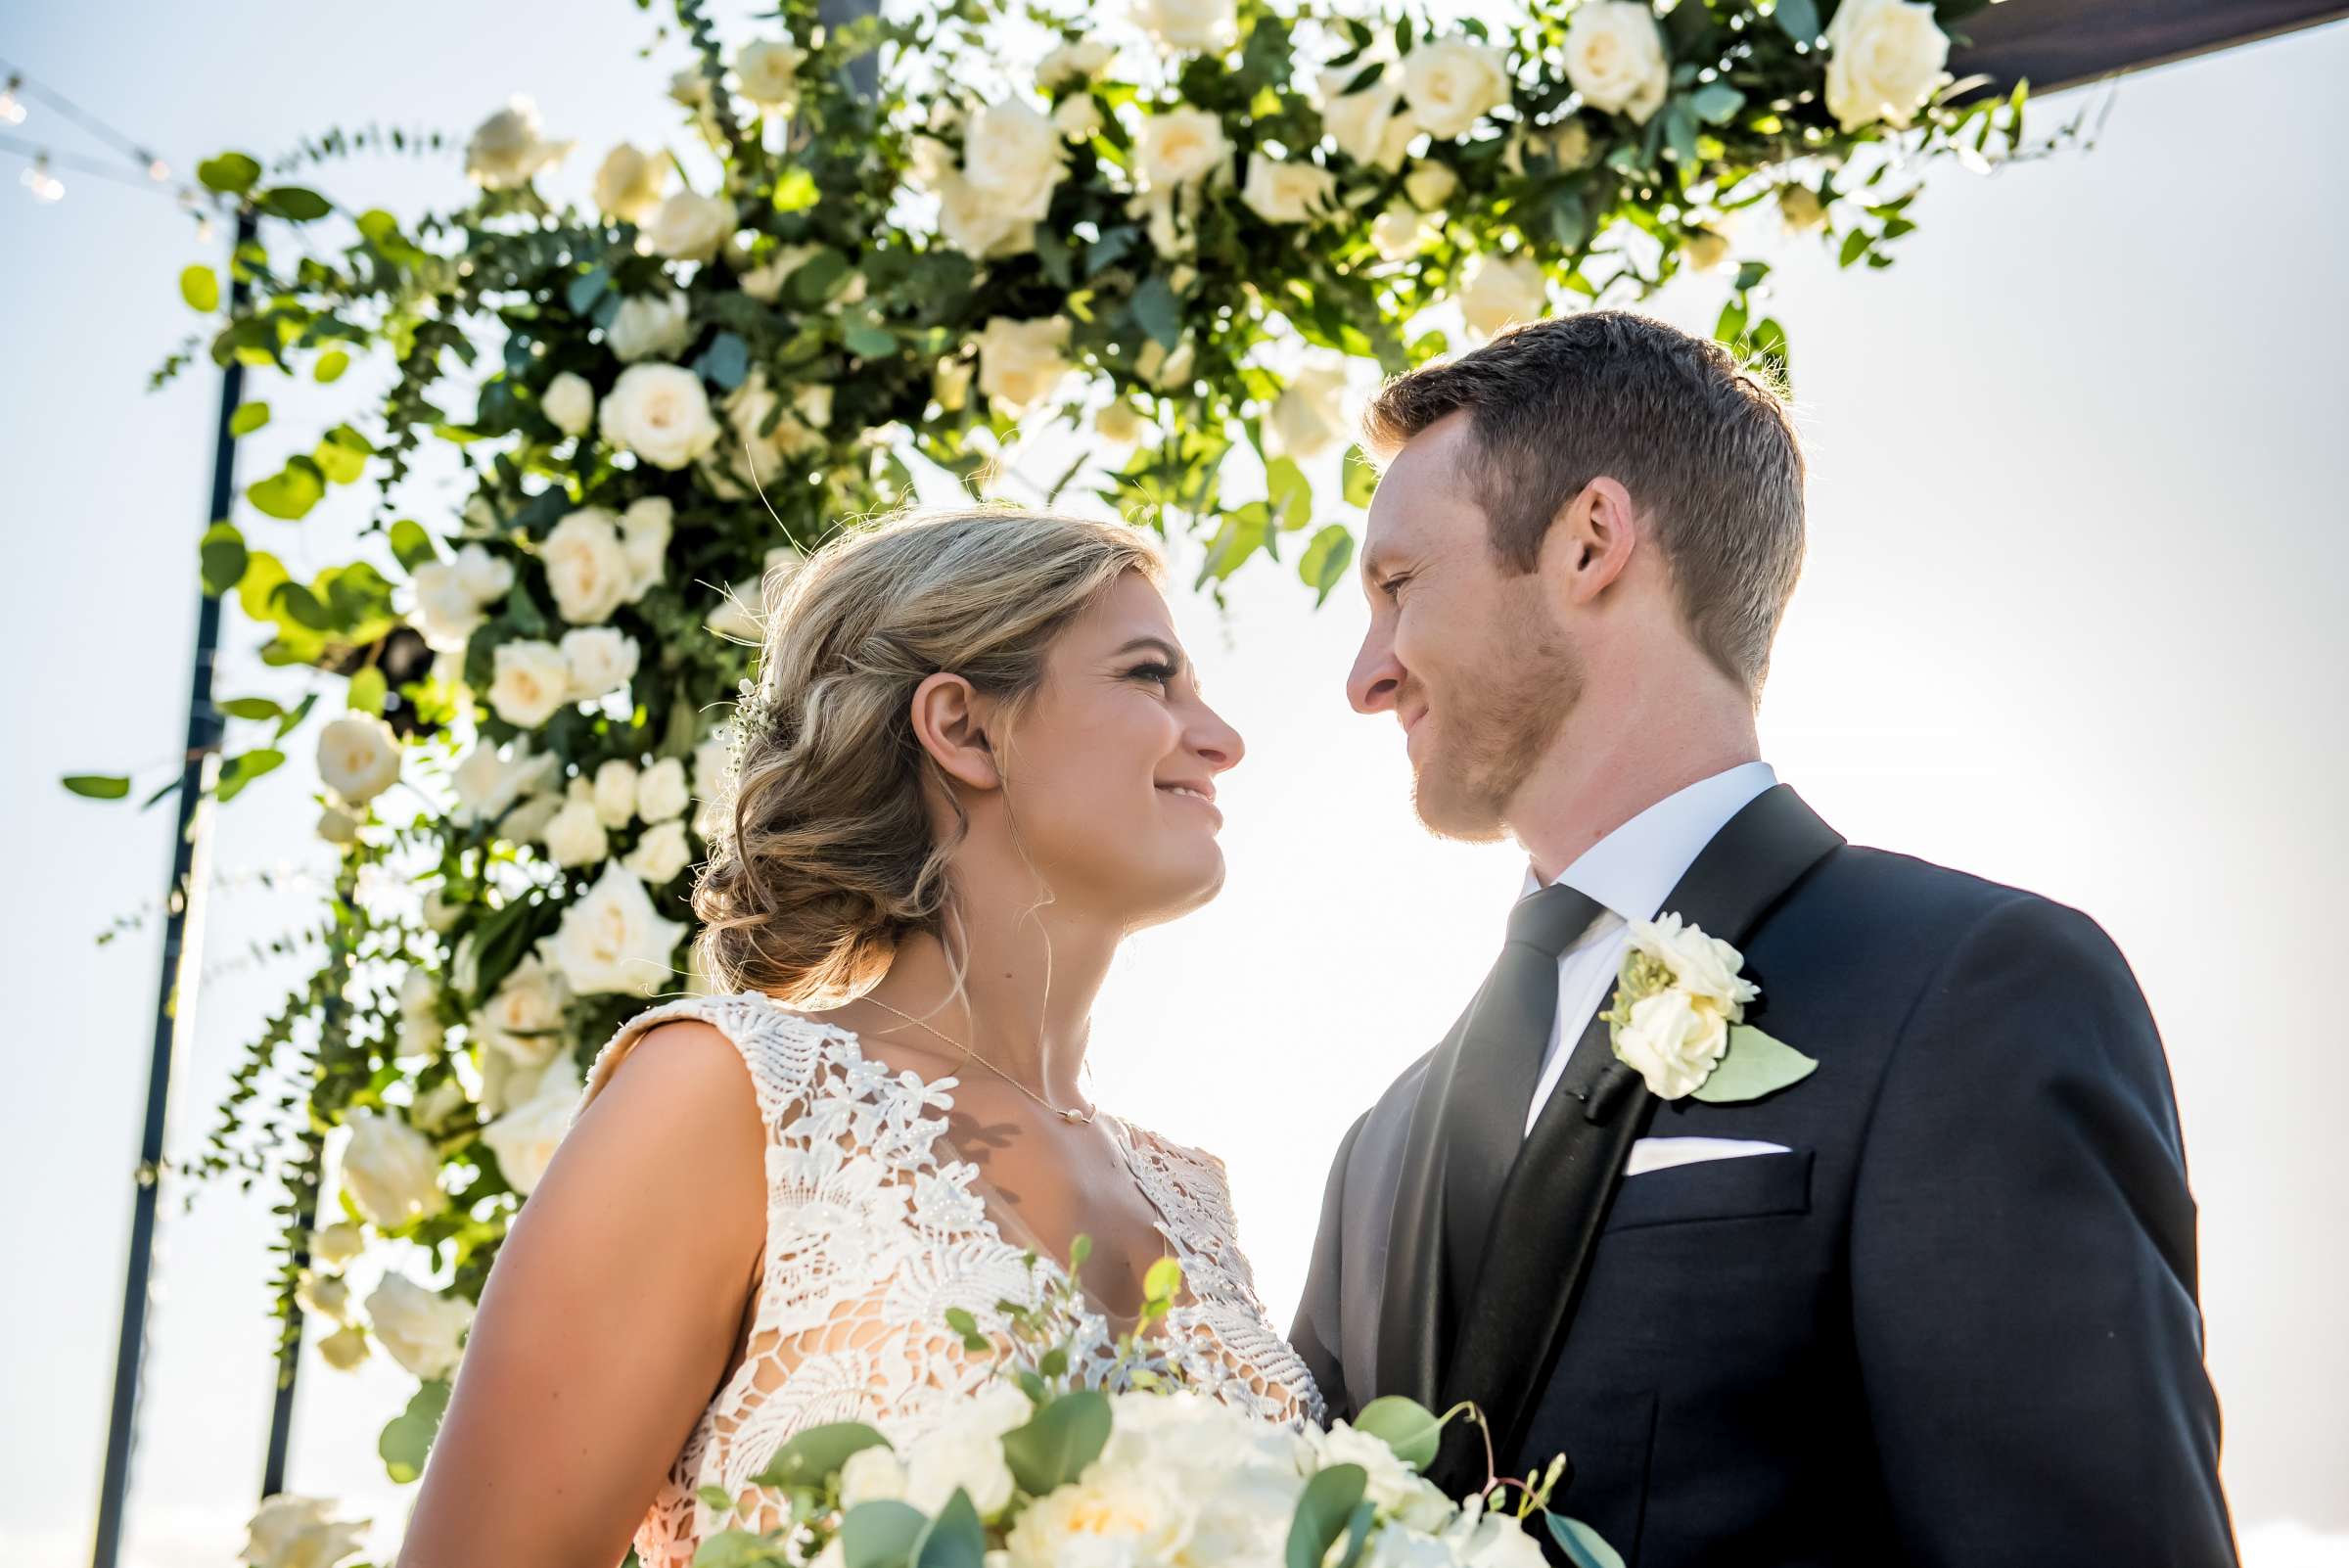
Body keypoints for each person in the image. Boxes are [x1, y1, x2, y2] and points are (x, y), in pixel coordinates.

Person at [1289, 311, 2236, 1565]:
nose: (1367, 674)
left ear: (1589, 541)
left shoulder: (1968, 992)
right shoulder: (1383, 1147)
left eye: (1399, 586)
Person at [397, 508, 1321, 1568]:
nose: (1223, 739)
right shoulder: (729, 1097)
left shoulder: (1194, 1198)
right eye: (1150, 676)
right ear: (965, 730)